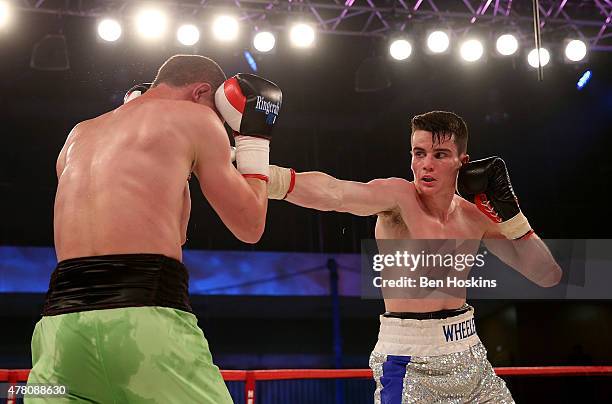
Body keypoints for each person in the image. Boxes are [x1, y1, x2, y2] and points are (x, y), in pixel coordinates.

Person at [26, 54, 282, 403]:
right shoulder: (197, 117)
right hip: (145, 325)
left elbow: (174, 231)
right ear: (201, 92)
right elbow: (250, 225)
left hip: (58, 332)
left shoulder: (79, 134)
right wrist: (255, 139)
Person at [266, 111, 562, 403]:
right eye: (419, 154)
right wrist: (264, 175)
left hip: (470, 354)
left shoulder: (476, 216)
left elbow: (546, 275)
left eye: (440, 155)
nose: (426, 165)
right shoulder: (398, 199)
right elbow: (335, 192)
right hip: (408, 363)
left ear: (463, 161)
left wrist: (513, 217)